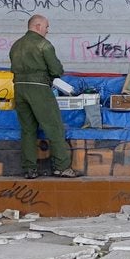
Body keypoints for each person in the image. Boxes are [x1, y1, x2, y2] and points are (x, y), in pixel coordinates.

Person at [9, 14, 80, 177]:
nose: (48, 30)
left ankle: (29, 169)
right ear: (37, 26)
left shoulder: (16, 45)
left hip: (19, 89)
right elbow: (56, 70)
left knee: (27, 130)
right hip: (39, 88)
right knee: (54, 127)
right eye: (46, 27)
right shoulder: (44, 45)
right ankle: (61, 167)